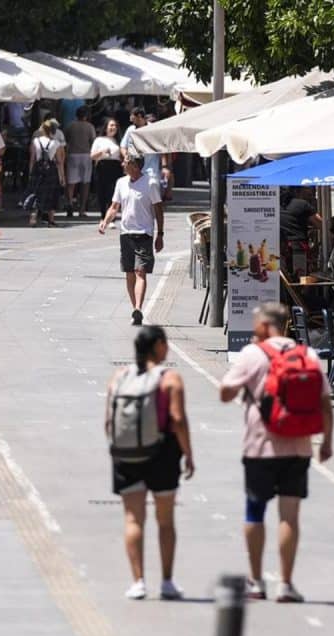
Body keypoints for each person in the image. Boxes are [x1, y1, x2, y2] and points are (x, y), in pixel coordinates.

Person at [219, 302, 334, 602]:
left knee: (254, 512)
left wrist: (247, 386)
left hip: (260, 445)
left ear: (262, 326)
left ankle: (256, 581)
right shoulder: (307, 354)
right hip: (299, 447)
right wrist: (328, 442)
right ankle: (285, 583)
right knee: (289, 516)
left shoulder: (251, 354)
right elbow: (325, 404)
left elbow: (224, 393)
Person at [106, 326, 195, 601]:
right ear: (158, 346)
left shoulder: (119, 377)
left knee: (133, 519)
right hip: (163, 453)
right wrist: (188, 454)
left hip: (126, 453)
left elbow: (108, 421)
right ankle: (167, 582)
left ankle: (138, 582)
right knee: (165, 520)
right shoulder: (170, 379)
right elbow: (177, 419)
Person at [98, 154, 165, 326]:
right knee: (129, 273)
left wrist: (160, 234)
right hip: (126, 233)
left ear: (135, 166)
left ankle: (138, 308)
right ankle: (135, 309)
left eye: (126, 162)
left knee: (140, 272)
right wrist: (105, 221)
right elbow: (114, 206)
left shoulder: (150, 183)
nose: (122, 164)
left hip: (144, 233)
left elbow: (158, 209)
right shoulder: (121, 182)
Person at [28, 119, 65, 227]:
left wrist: (30, 173)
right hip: (51, 170)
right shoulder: (56, 143)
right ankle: (51, 219)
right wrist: (62, 176)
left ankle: (33, 217)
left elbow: (32, 159)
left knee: (36, 192)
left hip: (38, 169)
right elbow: (59, 161)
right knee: (52, 194)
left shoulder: (35, 141)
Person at [64, 106, 97, 218]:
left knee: (71, 183)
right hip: (86, 155)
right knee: (85, 183)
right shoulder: (90, 126)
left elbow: (66, 140)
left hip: (72, 154)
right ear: (86, 115)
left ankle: (69, 203)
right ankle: (82, 209)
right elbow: (93, 141)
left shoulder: (70, 126)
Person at [91, 118, 124, 218]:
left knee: (113, 192)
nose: (113, 128)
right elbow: (92, 156)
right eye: (111, 125)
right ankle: (103, 215)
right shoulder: (99, 140)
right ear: (106, 127)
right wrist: (102, 152)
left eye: (115, 126)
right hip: (102, 166)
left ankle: (111, 217)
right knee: (102, 191)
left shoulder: (118, 140)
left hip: (115, 167)